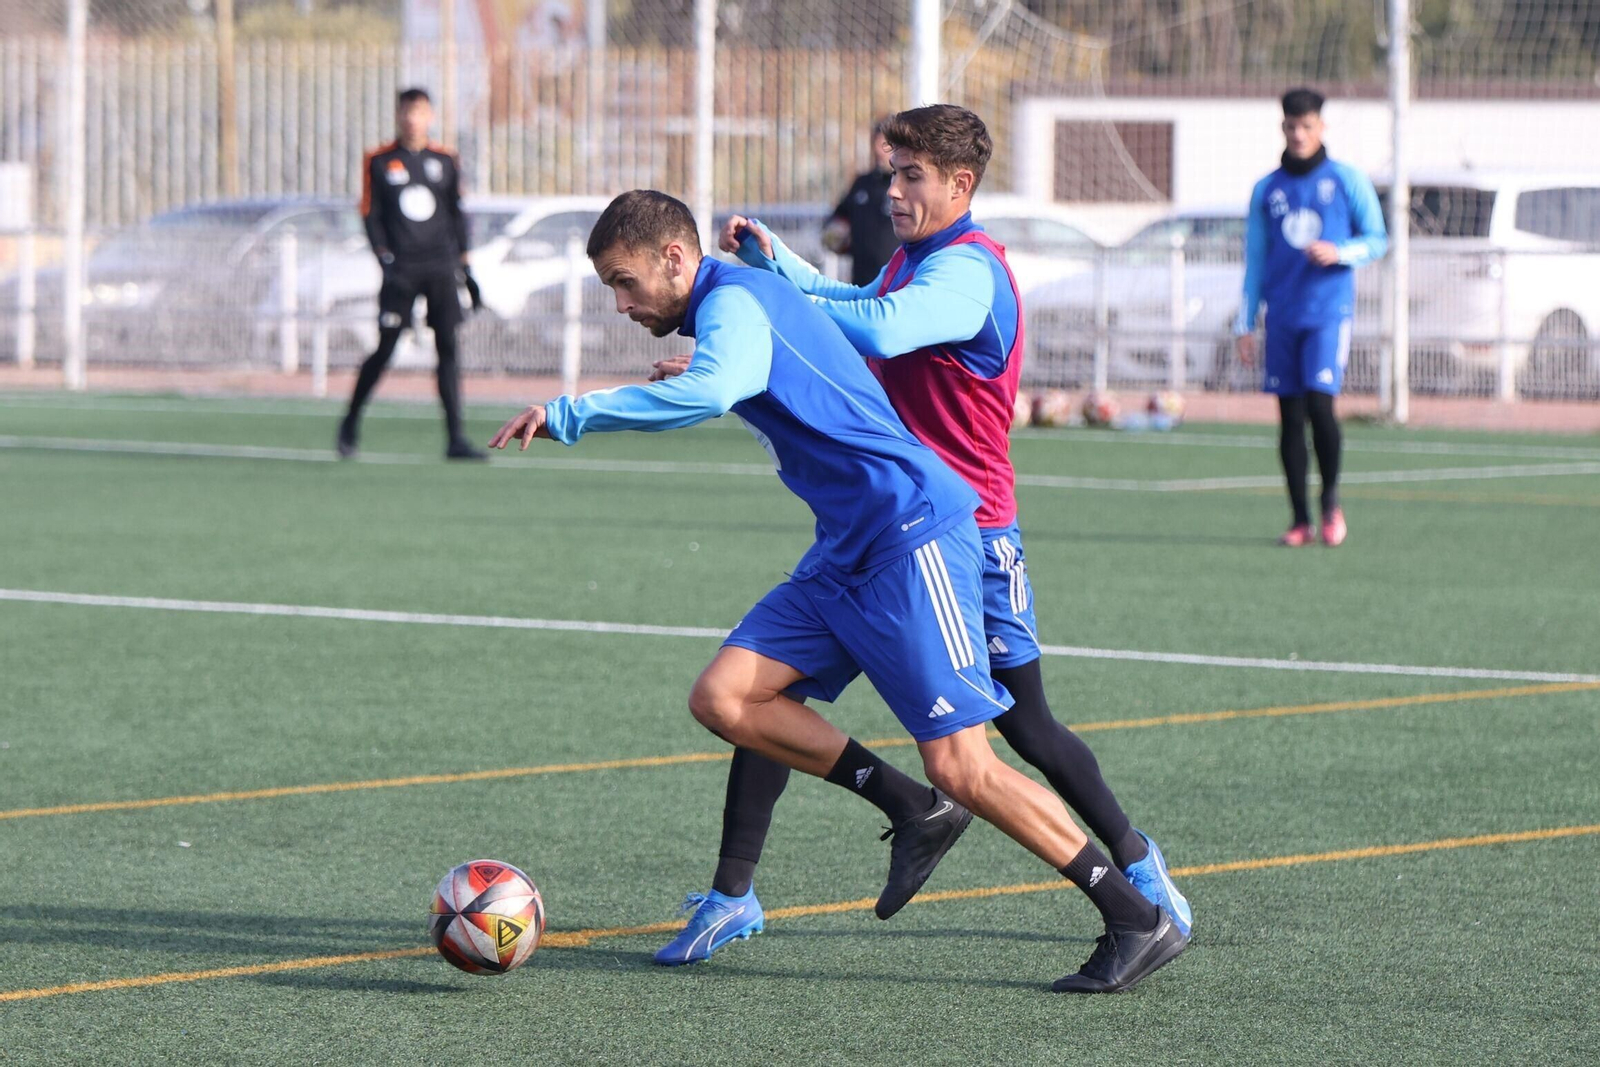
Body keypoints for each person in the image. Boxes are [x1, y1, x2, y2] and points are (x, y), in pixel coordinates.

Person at [489, 190, 1188, 993]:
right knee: (725, 697)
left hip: (909, 535)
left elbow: (713, 392)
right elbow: (792, 364)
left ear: (674, 259)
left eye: (625, 282)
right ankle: (908, 806)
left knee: (966, 764)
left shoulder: (739, 297)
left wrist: (573, 413)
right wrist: (729, 369)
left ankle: (1135, 917)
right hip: (847, 548)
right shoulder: (737, 306)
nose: (620, 305)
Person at [647, 104, 1190, 969]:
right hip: (886, 522)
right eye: (890, 173)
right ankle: (732, 893)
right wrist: (763, 298)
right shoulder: (914, 259)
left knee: (1021, 731)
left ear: (959, 185)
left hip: (969, 529)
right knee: (762, 697)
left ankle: (1136, 870)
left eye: (910, 176)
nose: (892, 190)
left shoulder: (968, 273)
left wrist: (765, 293)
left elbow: (878, 327)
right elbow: (858, 308)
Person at [1233, 87, 1388, 546]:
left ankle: (1330, 505)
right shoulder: (1267, 188)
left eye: (1307, 126)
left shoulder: (1346, 180)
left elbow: (1377, 239)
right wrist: (1245, 324)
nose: (1298, 134)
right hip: (1281, 317)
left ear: (1321, 127)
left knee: (1321, 407)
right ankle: (1299, 519)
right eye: (1291, 127)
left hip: (1328, 314)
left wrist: (1341, 252)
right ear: (1283, 128)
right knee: (1289, 417)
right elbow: (1256, 261)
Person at [339, 87, 486, 461]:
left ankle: (455, 439)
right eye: (406, 111)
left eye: (418, 111)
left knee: (448, 348)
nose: (411, 118)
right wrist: (383, 259)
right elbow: (369, 214)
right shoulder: (378, 160)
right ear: (398, 115)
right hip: (401, 270)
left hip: (439, 267)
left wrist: (466, 268)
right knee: (386, 346)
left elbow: (456, 215)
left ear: (430, 116)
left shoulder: (445, 160)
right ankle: (350, 423)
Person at [821, 119, 898, 287]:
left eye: (885, 145)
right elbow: (836, 222)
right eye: (875, 144)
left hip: (897, 285)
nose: (878, 151)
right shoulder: (862, 184)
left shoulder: (904, 187)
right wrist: (834, 236)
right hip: (862, 283)